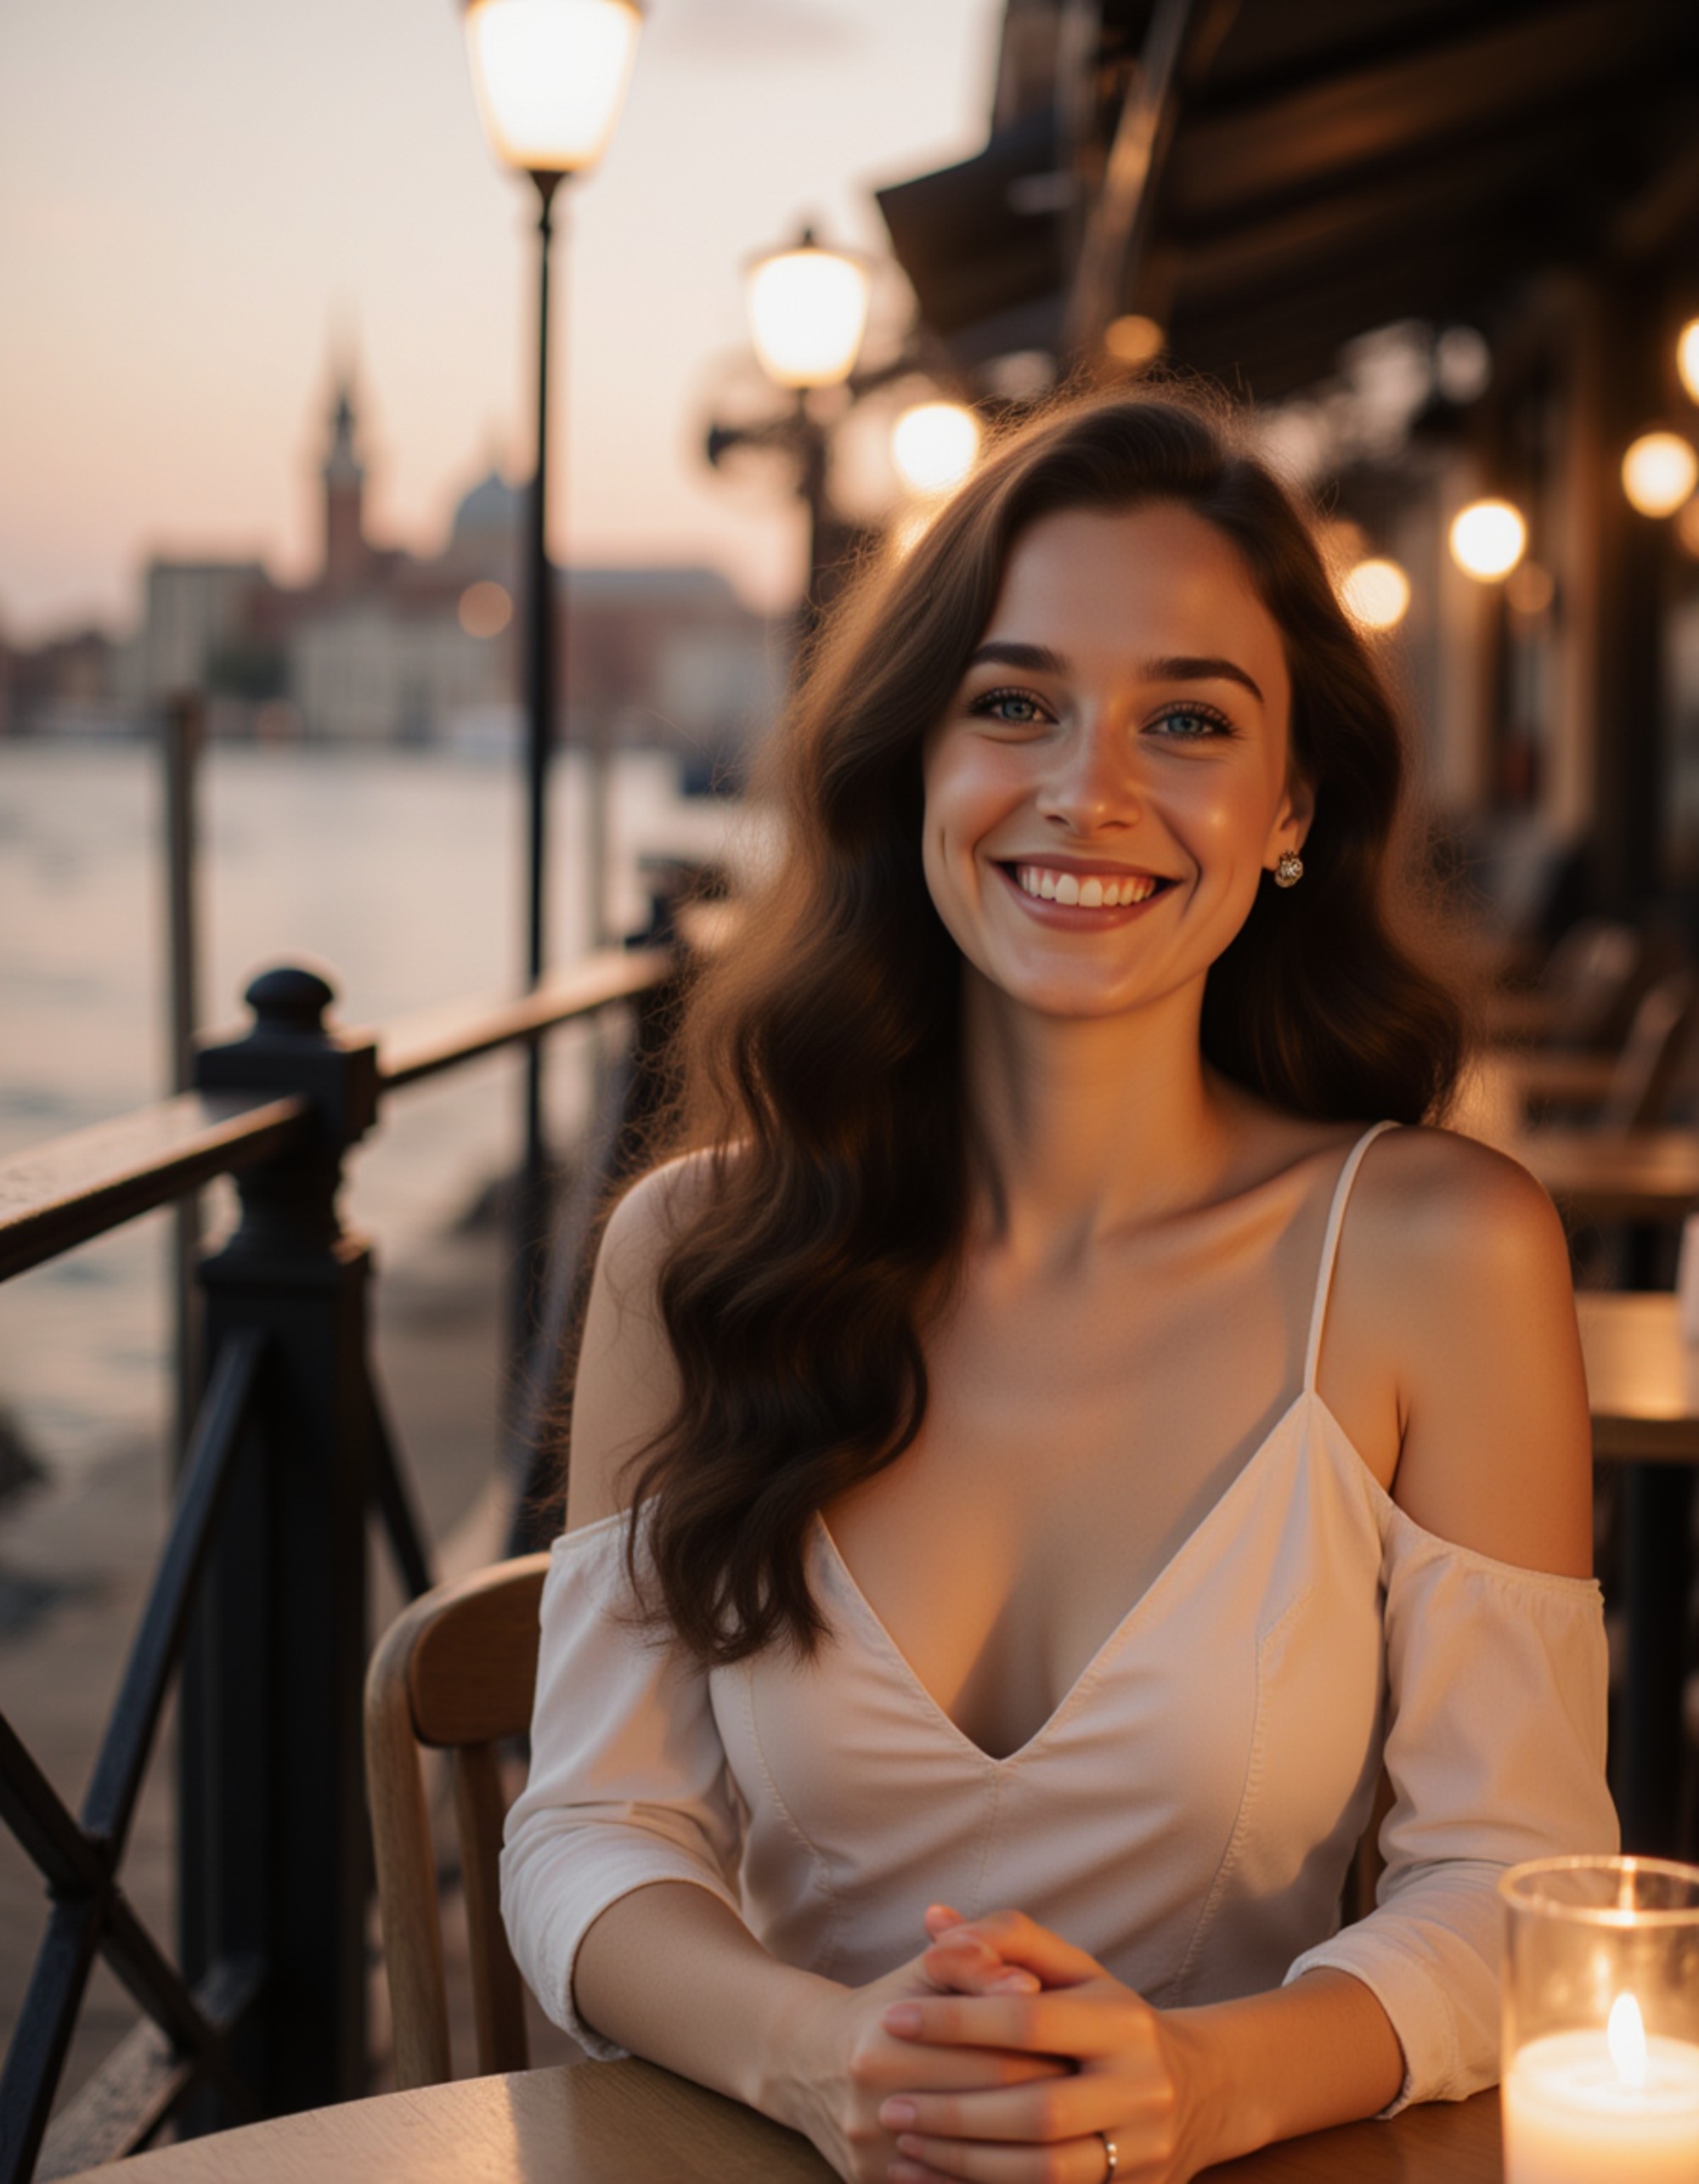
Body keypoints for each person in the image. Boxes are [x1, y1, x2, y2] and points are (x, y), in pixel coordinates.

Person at [500, 388, 1617, 2184]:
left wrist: (1204, 2080)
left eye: (1186, 718)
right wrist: (823, 2057)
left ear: (1289, 808)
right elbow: (589, 1826)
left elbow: (1511, 1876)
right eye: (1012, 703)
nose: (1086, 789)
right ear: (912, 768)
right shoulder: (691, 1255)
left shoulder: (1435, 1252)